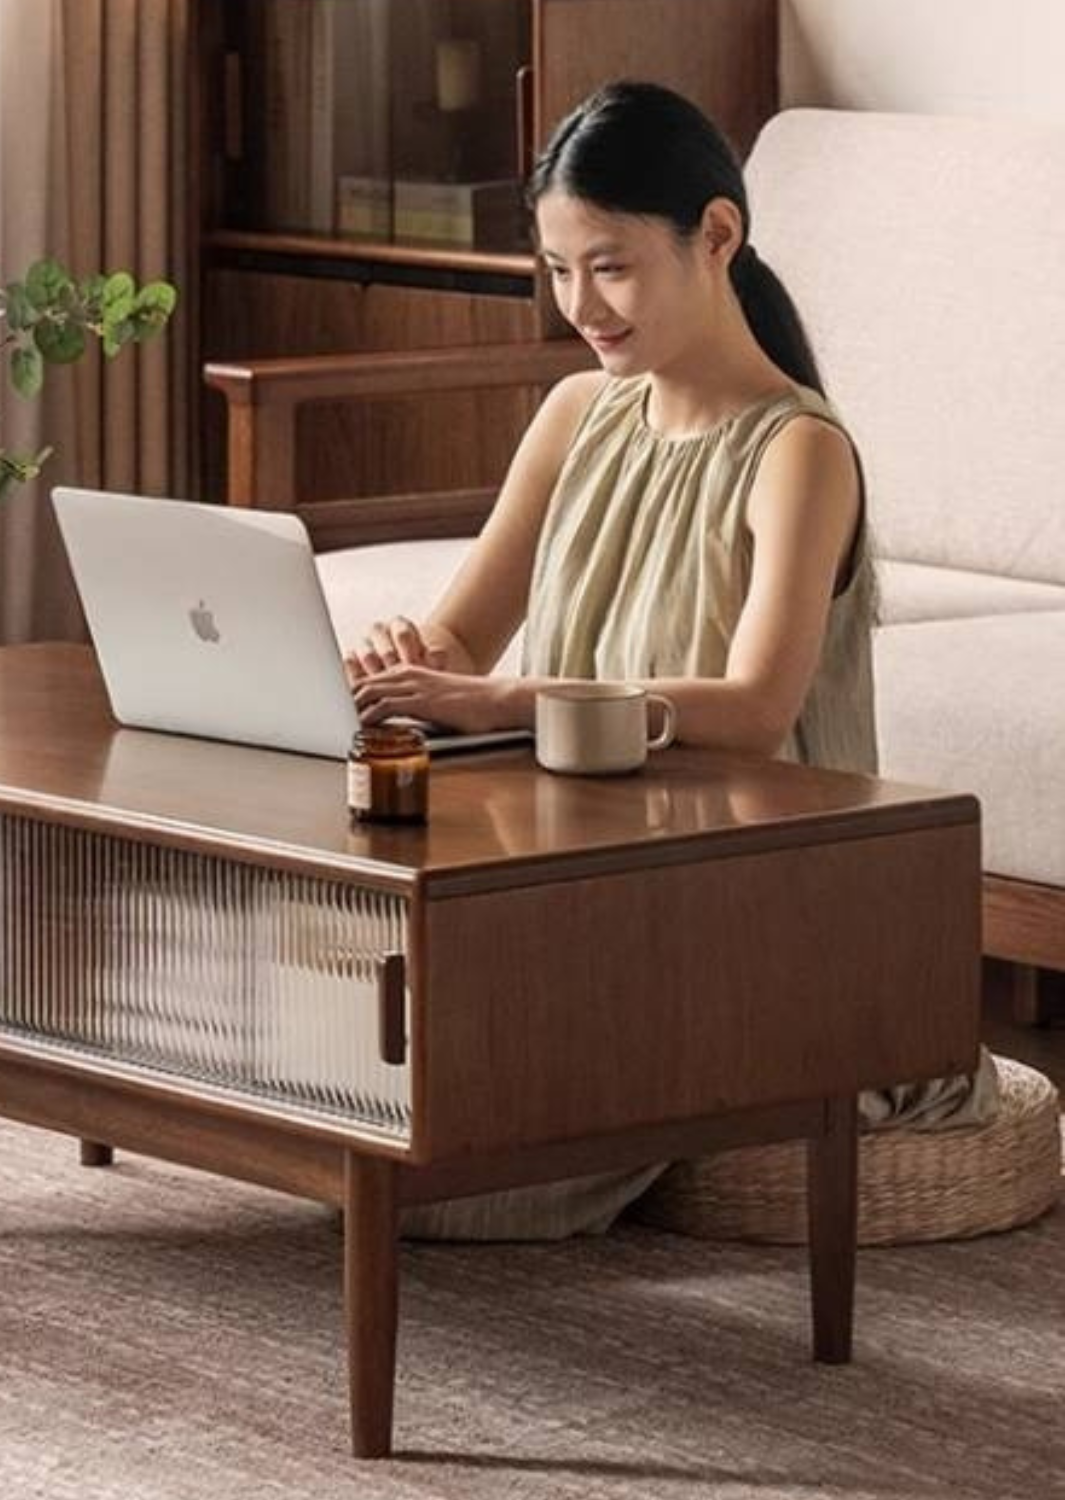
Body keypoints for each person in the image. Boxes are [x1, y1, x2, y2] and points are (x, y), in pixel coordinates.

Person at [346, 81, 995, 1241]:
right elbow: (460, 636)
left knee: (433, 1174)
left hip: (743, 904)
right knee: (336, 1065)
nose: (579, 304)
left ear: (716, 235)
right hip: (586, 879)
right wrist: (413, 657)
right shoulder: (575, 415)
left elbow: (753, 710)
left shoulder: (798, 451)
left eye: (610, 265)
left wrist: (495, 697)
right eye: (555, 268)